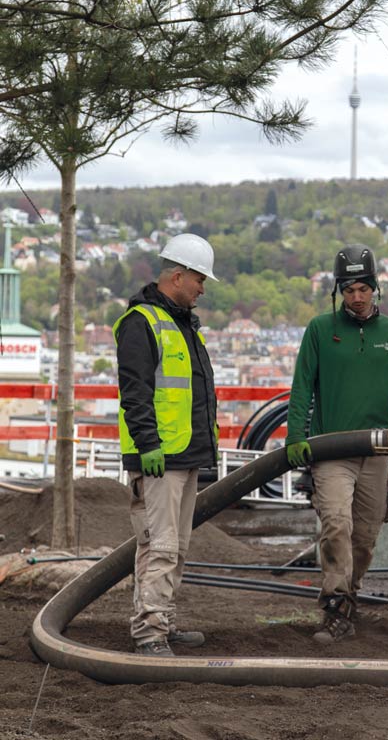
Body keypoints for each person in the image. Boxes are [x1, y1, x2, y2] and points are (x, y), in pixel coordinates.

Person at [285, 243, 388, 644]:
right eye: (348, 290)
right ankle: (334, 608)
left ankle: (349, 596)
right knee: (336, 524)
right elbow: (302, 387)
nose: (356, 297)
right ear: (339, 291)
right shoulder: (320, 330)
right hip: (332, 449)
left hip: (379, 450)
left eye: (363, 289)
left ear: (374, 289)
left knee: (365, 536)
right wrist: (295, 436)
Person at [113, 233, 219, 657]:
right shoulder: (142, 323)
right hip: (159, 458)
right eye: (199, 279)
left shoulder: (182, 324)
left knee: (176, 547)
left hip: (184, 454)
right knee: (159, 546)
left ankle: (162, 619)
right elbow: (134, 392)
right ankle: (150, 633)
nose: (203, 288)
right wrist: (148, 443)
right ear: (178, 276)